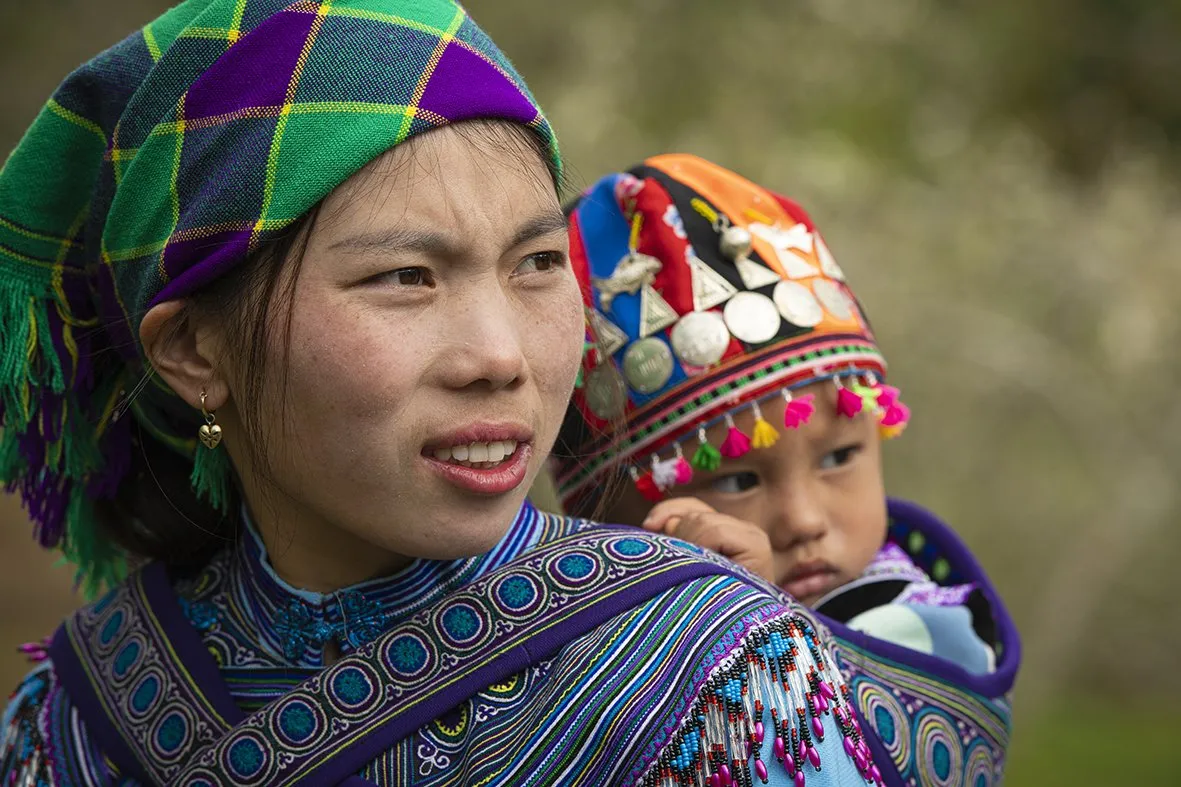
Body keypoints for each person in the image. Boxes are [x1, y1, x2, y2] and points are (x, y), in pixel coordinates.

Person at [0, 3, 878, 786]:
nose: (501, 358)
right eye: (406, 277)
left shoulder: (711, 676)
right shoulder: (83, 721)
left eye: (537, 263)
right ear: (194, 349)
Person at [554, 154, 1022, 787]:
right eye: (736, 480)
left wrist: (736, 622)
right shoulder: (557, 656)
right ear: (600, 519)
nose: (803, 521)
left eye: (839, 457)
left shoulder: (929, 625)